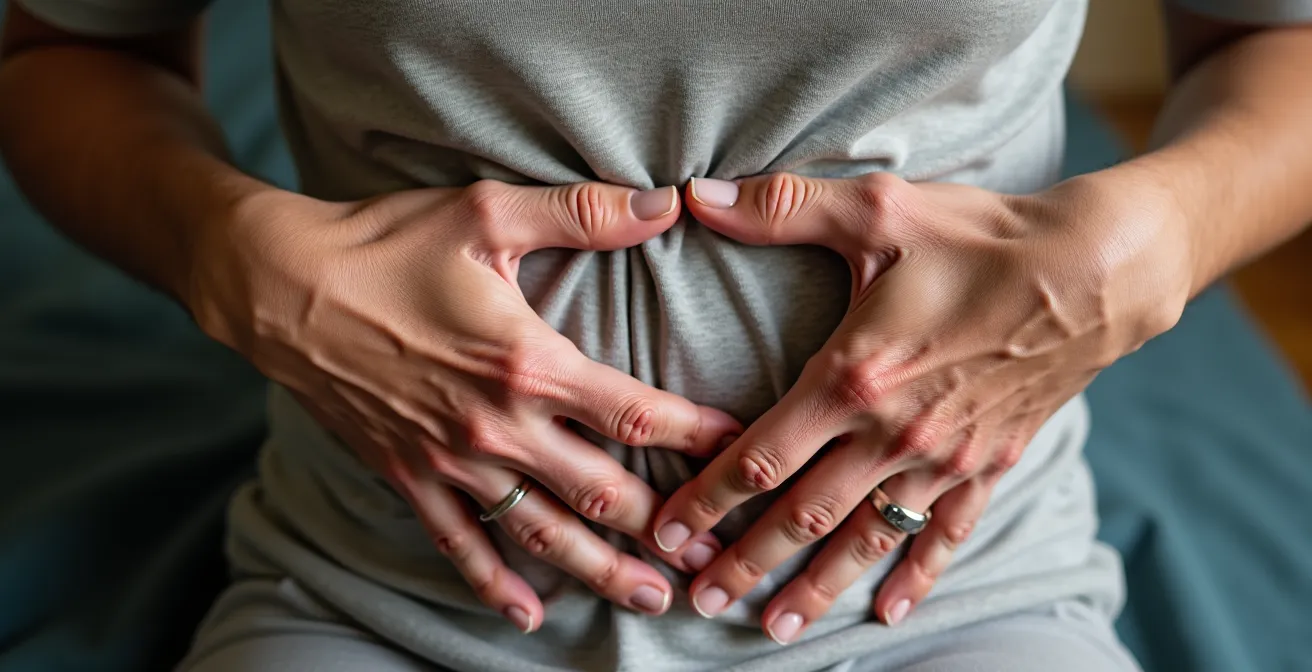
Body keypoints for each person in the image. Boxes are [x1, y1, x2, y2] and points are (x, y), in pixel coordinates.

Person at [2, 0, 1310, 670]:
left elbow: (1276, 42)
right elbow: (62, 50)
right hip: (383, 593)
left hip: (945, 602)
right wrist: (237, 261)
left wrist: (1158, 242)